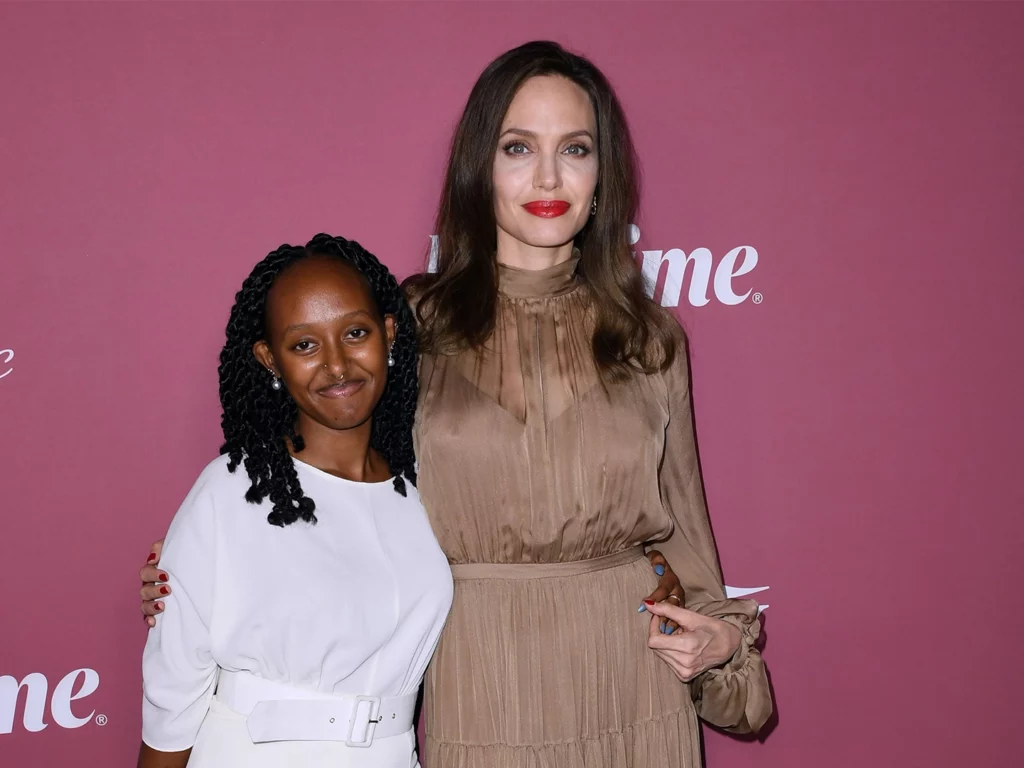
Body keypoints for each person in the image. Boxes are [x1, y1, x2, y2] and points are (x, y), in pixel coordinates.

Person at [142, 41, 772, 767]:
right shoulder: (413, 325)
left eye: (574, 149)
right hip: (480, 683)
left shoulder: (648, 338)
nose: (547, 176)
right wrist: (195, 573)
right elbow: (322, 480)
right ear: (480, 168)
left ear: (602, 176)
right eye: (518, 147)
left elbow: (687, 537)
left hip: (631, 684)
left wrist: (723, 640)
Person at [137, 234, 453, 768]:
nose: (337, 365)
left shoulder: (427, 487)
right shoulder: (232, 490)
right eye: (305, 345)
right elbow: (173, 697)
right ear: (269, 359)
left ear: (389, 332)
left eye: (355, 333)